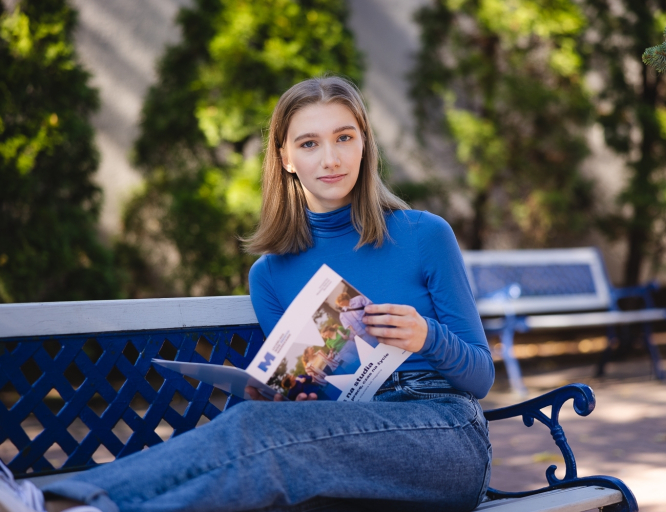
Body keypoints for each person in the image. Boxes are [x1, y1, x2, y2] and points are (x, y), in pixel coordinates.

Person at [2, 76, 494, 512]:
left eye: (344, 137)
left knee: (252, 429)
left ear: (364, 143)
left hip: (443, 434)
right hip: (339, 445)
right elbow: (308, 402)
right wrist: (282, 394)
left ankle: (48, 500)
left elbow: (480, 377)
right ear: (285, 157)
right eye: (309, 143)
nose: (330, 157)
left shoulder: (424, 234)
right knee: (255, 481)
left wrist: (427, 336)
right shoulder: (270, 274)